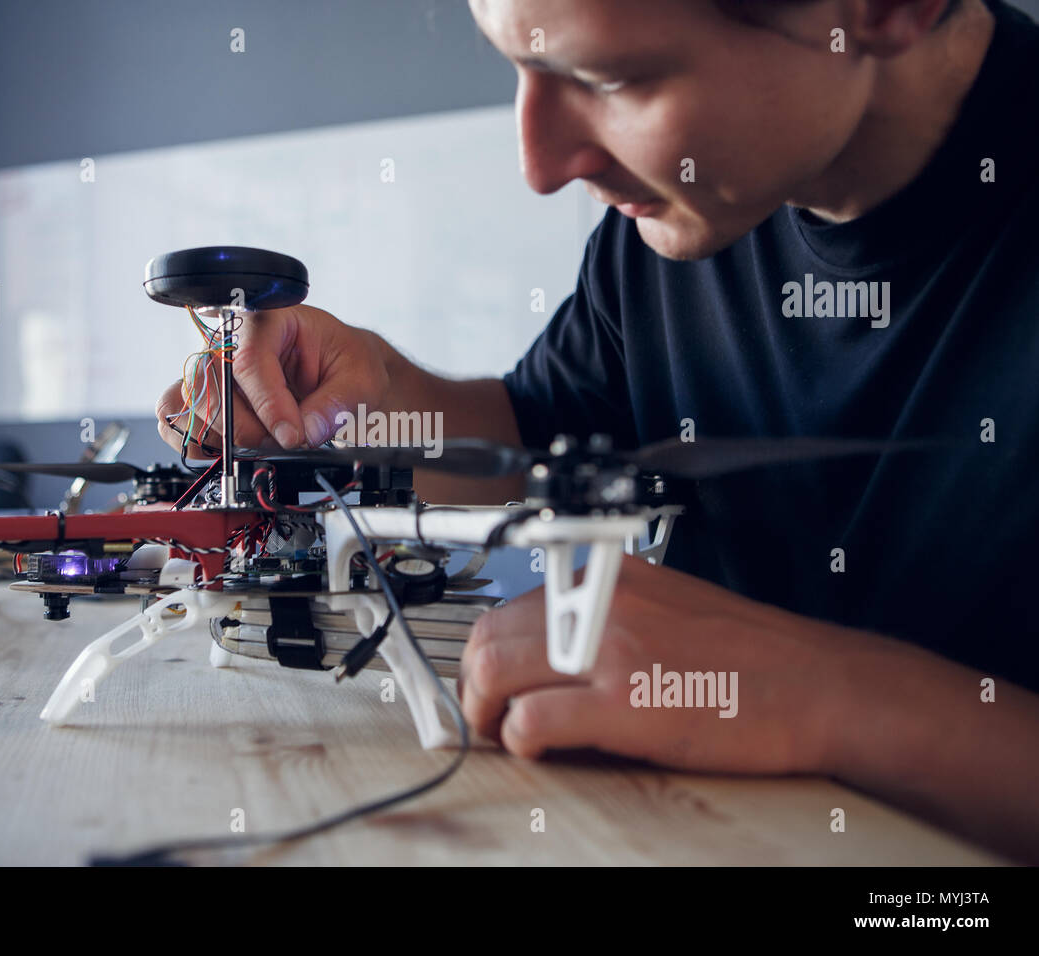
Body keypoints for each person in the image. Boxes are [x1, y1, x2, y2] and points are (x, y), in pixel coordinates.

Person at [158, 0, 1039, 862]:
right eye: (520, 64)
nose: (540, 165)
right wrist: (366, 400)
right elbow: (538, 444)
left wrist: (828, 696)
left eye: (610, 78)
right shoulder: (674, 227)